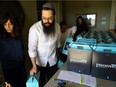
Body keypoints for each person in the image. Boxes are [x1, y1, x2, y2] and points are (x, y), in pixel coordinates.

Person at [28, 2, 61, 87]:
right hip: (39, 64)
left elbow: (57, 44)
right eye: (44, 18)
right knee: (41, 83)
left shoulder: (57, 27)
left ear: (54, 16)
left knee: (53, 82)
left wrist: (60, 56)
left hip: (53, 61)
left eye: (50, 18)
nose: (46, 21)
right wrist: (34, 66)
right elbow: (32, 50)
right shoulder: (34, 29)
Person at [0, 11, 27, 87]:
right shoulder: (1, 37)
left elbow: (21, 47)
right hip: (9, 70)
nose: (8, 27)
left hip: (21, 68)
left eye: (10, 24)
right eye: (5, 24)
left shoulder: (19, 34)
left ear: (14, 23)